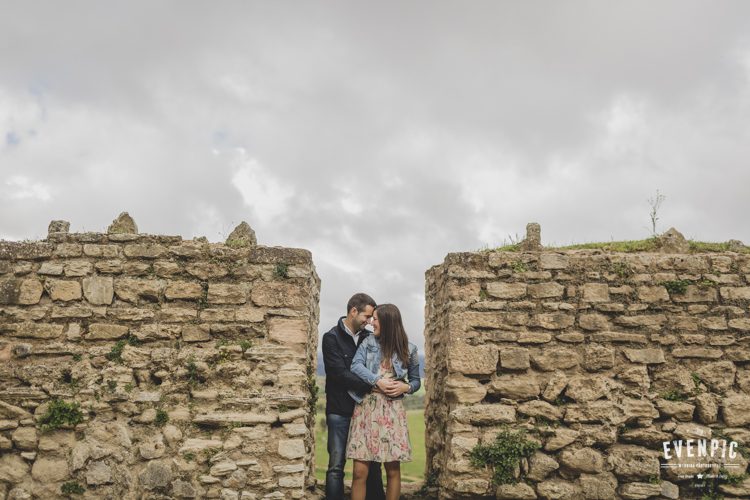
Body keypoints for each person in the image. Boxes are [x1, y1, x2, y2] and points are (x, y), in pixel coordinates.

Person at [346, 303, 421, 500]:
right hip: (366, 408)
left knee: (393, 470)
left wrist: (406, 387)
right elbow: (355, 365)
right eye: (371, 319)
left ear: (387, 322)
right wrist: (377, 380)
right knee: (359, 472)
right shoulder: (368, 342)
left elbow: (415, 381)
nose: (371, 322)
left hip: (392, 410)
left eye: (376, 319)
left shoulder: (410, 349)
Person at [321, 293, 386, 500]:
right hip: (339, 409)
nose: (369, 322)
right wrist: (372, 384)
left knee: (373, 465)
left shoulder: (369, 338)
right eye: (367, 316)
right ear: (353, 311)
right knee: (336, 465)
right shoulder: (331, 338)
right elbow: (338, 373)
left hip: (366, 410)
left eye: (371, 318)